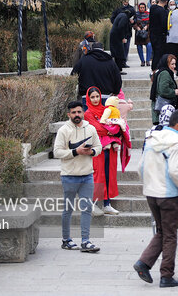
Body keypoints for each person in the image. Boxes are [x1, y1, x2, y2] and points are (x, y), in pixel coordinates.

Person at [134, 109, 178, 288]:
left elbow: (140, 166)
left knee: (162, 231)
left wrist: (149, 184)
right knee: (169, 236)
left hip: (151, 192)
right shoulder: (177, 143)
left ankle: (143, 264)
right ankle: (166, 275)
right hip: (167, 195)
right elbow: (176, 171)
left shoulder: (153, 137)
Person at [54, 100, 102, 252]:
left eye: (79, 112)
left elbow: (99, 146)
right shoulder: (63, 130)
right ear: (69, 114)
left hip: (87, 175)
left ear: (83, 112)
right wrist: (75, 152)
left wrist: (91, 152)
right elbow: (57, 152)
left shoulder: (91, 128)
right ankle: (66, 240)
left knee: (87, 208)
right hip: (69, 176)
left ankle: (86, 241)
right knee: (68, 209)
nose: (77, 115)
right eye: (73, 112)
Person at [84, 87, 132, 216]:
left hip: (110, 147)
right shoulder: (88, 113)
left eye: (97, 96)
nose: (95, 99)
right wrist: (111, 129)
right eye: (92, 97)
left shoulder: (106, 109)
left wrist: (113, 128)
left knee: (108, 174)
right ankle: (93, 205)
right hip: (97, 147)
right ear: (89, 98)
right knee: (98, 175)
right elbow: (98, 129)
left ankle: (107, 204)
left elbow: (115, 126)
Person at [150, 54, 178, 125]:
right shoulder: (165, 73)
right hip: (164, 111)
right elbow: (163, 90)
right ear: (167, 64)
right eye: (172, 64)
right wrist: (174, 92)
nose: (174, 66)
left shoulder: (161, 71)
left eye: (175, 64)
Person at [110, 0, 135, 67]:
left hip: (127, 31)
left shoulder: (131, 9)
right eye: (124, 0)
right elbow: (114, 20)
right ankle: (120, 64)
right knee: (119, 49)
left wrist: (132, 22)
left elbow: (135, 18)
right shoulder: (119, 10)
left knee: (125, 47)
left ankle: (123, 62)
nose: (126, 2)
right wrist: (116, 24)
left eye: (127, 1)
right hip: (119, 32)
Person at [150, 0, 169, 70]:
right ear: (166, 1)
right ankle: (156, 69)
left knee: (155, 52)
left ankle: (154, 69)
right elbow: (164, 24)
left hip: (152, 34)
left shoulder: (152, 8)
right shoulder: (162, 11)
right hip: (160, 35)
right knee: (159, 53)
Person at [134, 2, 152, 67]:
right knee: (139, 46)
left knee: (149, 45)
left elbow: (150, 22)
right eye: (141, 8)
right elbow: (133, 23)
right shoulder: (136, 14)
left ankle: (148, 60)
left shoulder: (148, 14)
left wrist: (147, 26)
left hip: (146, 33)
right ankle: (142, 61)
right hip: (139, 33)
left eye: (143, 7)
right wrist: (137, 27)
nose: (142, 9)